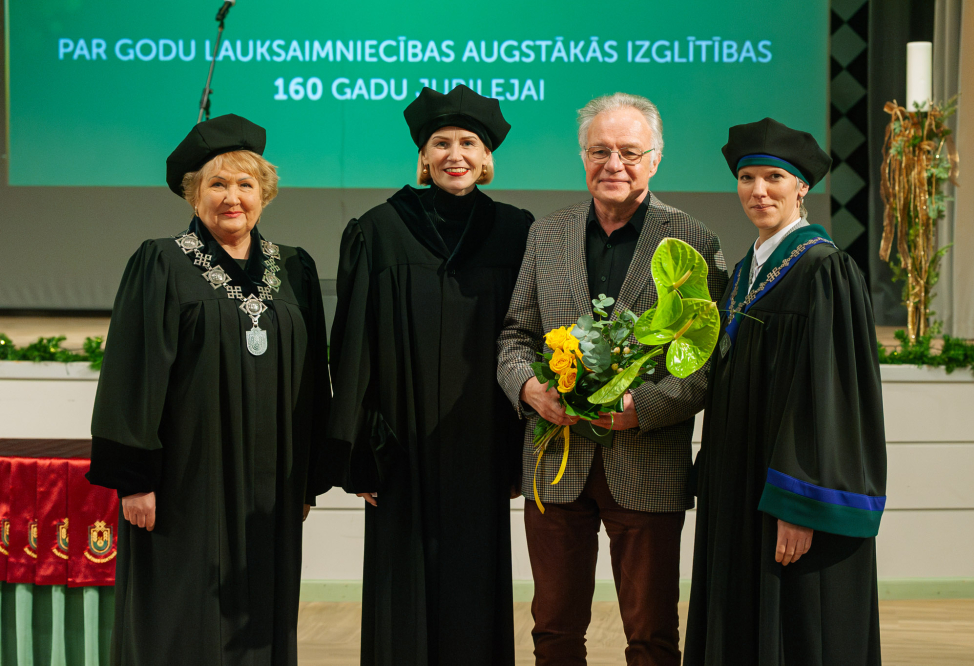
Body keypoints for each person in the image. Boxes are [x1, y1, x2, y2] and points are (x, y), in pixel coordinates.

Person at [87, 114, 332, 665]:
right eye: (216, 184)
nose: (232, 197)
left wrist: (308, 479)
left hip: (271, 483)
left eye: (246, 184)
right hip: (184, 482)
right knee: (183, 614)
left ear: (265, 193)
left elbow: (313, 380)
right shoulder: (161, 262)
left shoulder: (295, 266)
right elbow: (132, 373)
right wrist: (135, 480)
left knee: (260, 614)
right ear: (193, 194)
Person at [497, 92, 728, 666]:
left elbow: (706, 362)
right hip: (555, 462)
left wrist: (642, 407)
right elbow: (515, 335)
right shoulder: (546, 234)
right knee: (553, 631)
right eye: (599, 151)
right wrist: (528, 388)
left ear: (655, 159)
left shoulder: (693, 240)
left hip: (647, 461)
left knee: (652, 636)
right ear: (583, 157)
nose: (613, 164)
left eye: (629, 151)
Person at [328, 84, 532, 666]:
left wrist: (518, 450)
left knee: (475, 584)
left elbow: (530, 338)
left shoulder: (516, 231)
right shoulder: (378, 230)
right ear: (423, 155)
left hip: (483, 444)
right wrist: (360, 450)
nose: (454, 154)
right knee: (403, 587)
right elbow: (352, 346)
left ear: (486, 157)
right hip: (400, 447)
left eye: (468, 143)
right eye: (441, 143)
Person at [683, 118, 887, 666]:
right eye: (747, 178)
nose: (759, 191)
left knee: (797, 630)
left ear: (802, 187)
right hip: (741, 488)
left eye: (774, 177)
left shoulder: (825, 270)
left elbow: (829, 400)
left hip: (788, 495)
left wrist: (800, 504)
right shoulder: (745, 271)